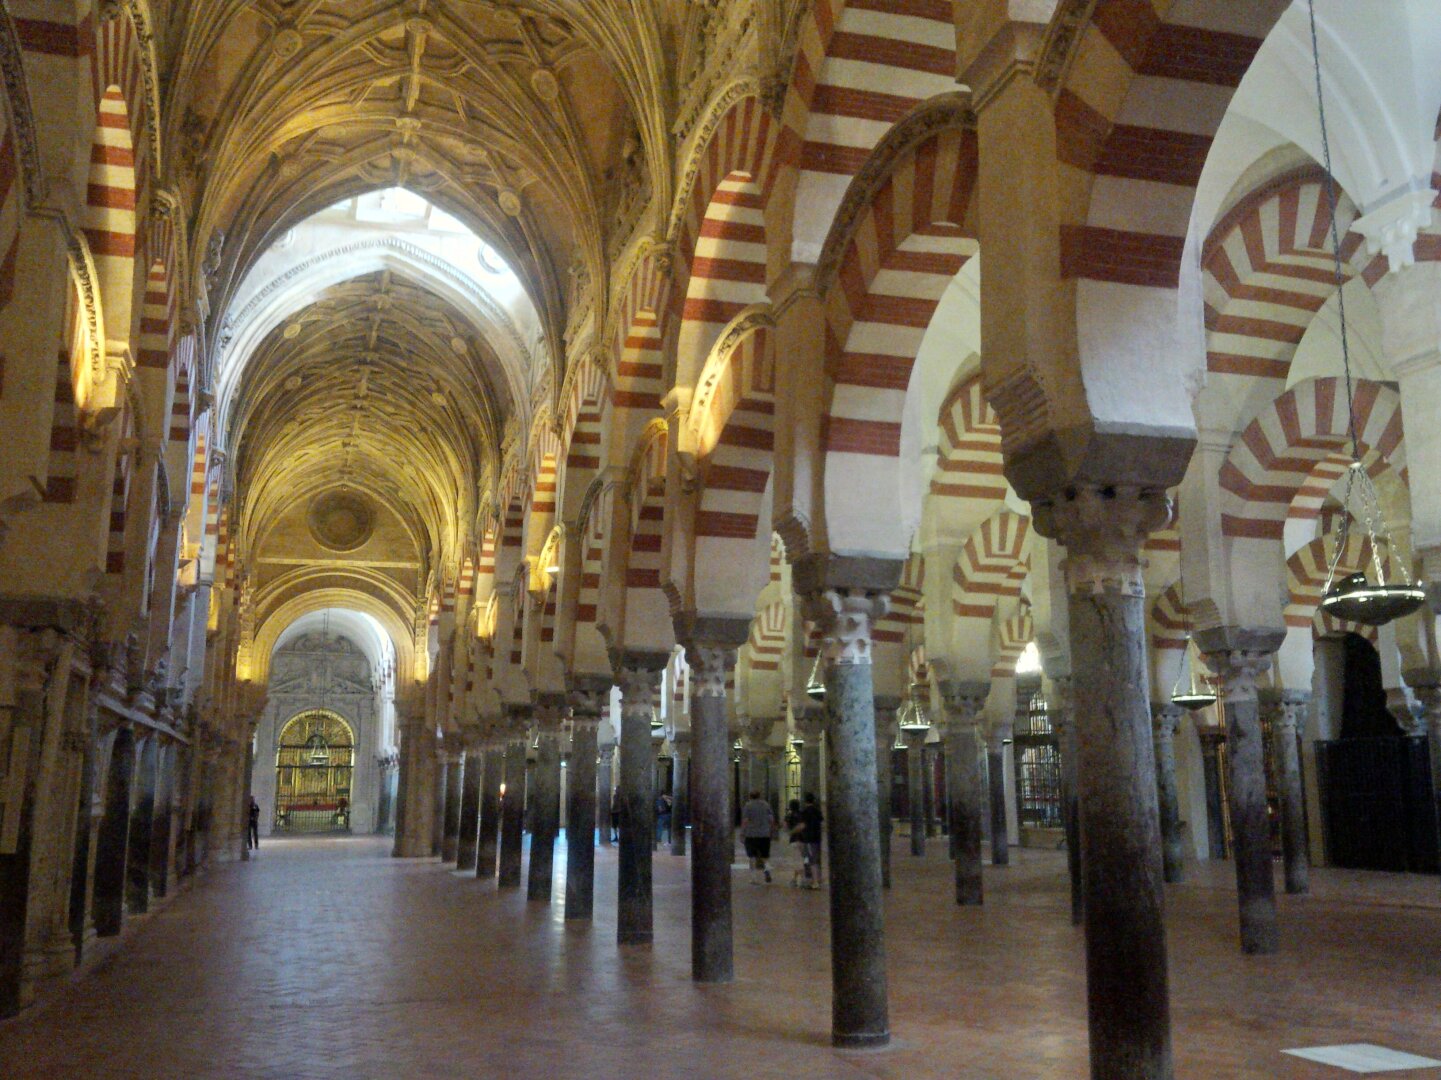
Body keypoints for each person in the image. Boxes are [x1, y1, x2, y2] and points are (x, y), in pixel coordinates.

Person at [740, 790, 775, 884]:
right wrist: (771, 831)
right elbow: (771, 819)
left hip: (751, 834)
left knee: (752, 856)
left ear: (750, 796)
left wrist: (742, 833)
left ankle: (753, 878)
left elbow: (745, 820)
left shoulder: (748, 806)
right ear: (759, 796)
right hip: (764, 834)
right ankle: (767, 869)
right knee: (765, 856)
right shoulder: (766, 805)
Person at [798, 792, 824, 889]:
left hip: (808, 838)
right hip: (817, 838)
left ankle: (815, 882)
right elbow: (822, 824)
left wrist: (793, 832)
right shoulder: (818, 811)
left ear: (805, 801)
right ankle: (817, 879)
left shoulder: (804, 812)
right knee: (816, 859)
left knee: (811, 859)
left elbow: (802, 825)